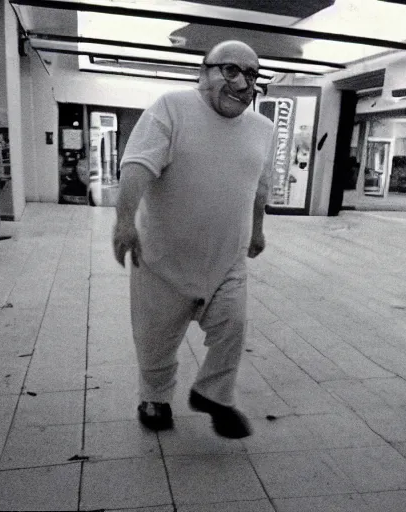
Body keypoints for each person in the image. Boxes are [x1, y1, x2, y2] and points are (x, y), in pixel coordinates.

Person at [112, 40, 274, 439]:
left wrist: (257, 228)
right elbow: (139, 164)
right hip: (163, 257)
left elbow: (259, 187)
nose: (243, 83)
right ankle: (154, 397)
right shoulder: (172, 108)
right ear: (204, 72)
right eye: (231, 70)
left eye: (252, 75)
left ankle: (213, 395)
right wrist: (124, 219)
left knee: (232, 327)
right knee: (156, 338)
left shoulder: (263, 128)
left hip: (226, 257)